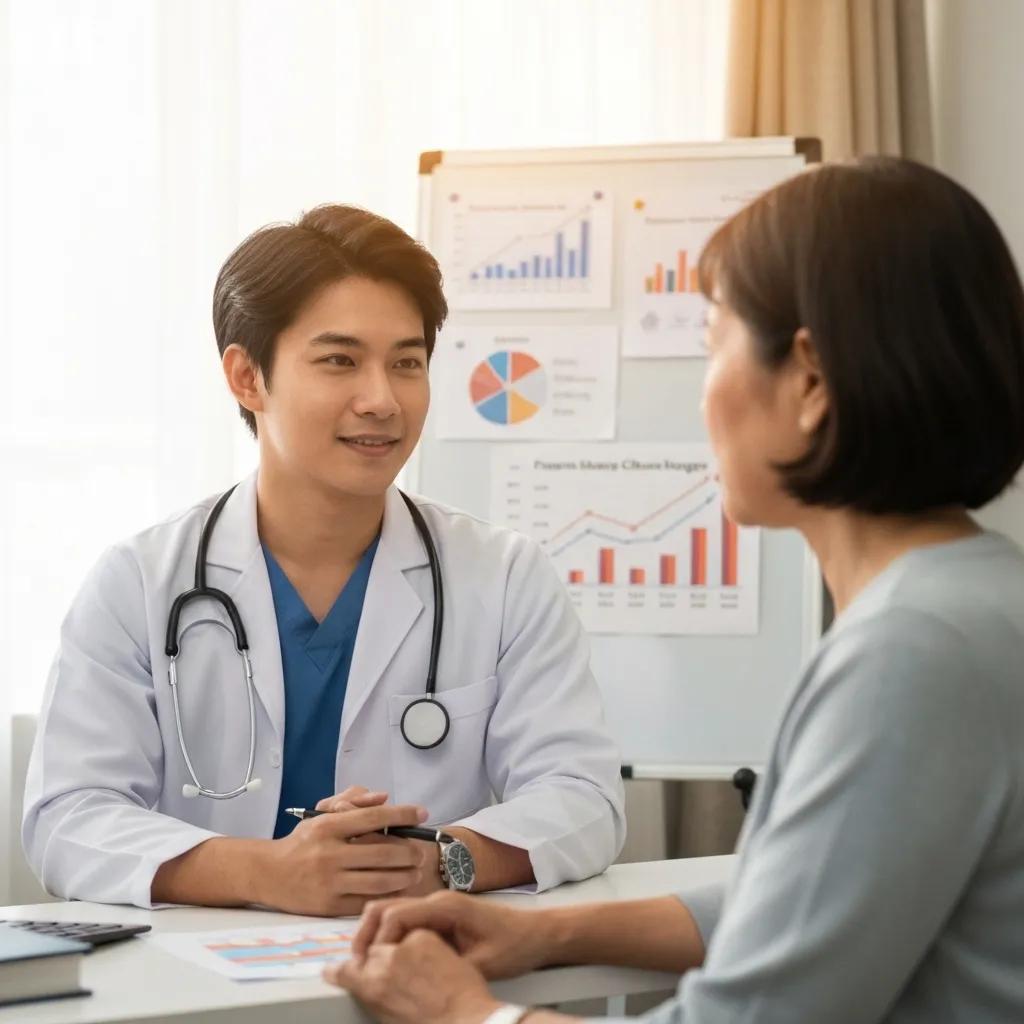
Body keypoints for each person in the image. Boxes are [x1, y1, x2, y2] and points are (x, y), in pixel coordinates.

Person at [324, 157, 1024, 1024]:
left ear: (809, 381)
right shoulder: (978, 603)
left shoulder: (910, 655)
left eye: (713, 347)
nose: (702, 399)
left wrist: (464, 1013)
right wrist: (549, 933)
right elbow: (803, 903)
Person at [22, 205, 625, 915]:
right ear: (247, 377)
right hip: (200, 968)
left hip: (419, 958)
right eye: (340, 360)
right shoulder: (140, 583)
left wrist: (441, 861)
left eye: (406, 363)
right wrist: (263, 872)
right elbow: (67, 816)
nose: (382, 400)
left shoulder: (503, 576)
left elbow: (584, 796)